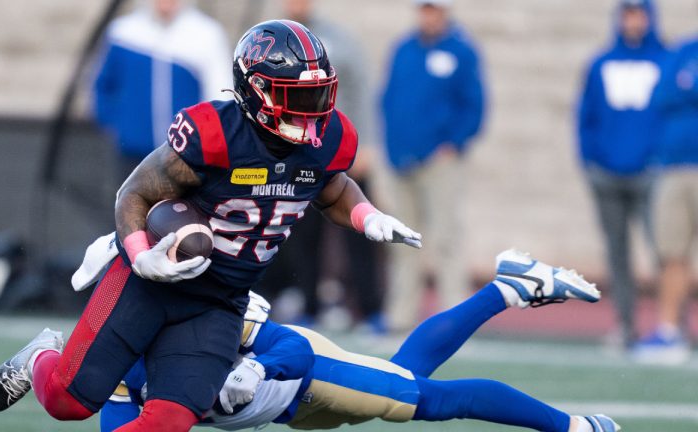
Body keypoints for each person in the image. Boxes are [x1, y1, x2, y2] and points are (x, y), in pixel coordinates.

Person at [0, 20, 421, 432]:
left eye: (318, 96)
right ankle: (41, 353)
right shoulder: (213, 132)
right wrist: (139, 256)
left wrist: (369, 216)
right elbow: (133, 194)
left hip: (219, 302)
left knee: (169, 420)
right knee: (67, 403)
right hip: (150, 284)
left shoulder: (331, 137)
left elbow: (335, 188)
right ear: (255, 91)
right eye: (295, 97)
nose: (310, 113)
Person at [99, 249, 620, 432]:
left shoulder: (204, 312)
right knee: (404, 375)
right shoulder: (121, 367)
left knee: (428, 401)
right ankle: (510, 286)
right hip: (288, 413)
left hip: (309, 374)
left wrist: (255, 369)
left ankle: (574, 427)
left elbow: (293, 351)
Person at [258, 0, 383, 329]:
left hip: (338, 148)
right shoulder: (267, 41)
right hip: (295, 152)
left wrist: (365, 144)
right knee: (301, 234)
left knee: (359, 229)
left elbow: (360, 90)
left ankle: (370, 309)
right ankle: (308, 305)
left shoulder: (337, 39)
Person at [380, 0, 486, 332]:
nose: (428, 15)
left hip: (439, 161)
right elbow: (388, 99)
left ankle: (454, 317)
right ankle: (399, 315)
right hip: (401, 159)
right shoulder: (404, 48)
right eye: (424, 9)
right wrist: (393, 145)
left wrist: (452, 143)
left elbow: (474, 106)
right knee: (401, 241)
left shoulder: (461, 51)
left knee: (446, 238)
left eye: (434, 9)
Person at [576, 0, 667, 348]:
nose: (633, 21)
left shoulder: (664, 60)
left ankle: (670, 324)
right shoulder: (601, 63)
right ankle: (625, 325)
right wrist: (590, 159)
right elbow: (587, 115)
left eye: (639, 14)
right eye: (628, 14)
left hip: (650, 172)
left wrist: (659, 158)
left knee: (664, 251)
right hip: (607, 173)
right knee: (617, 254)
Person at [93, 0, 232, 184]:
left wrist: (204, 141)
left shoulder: (207, 35)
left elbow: (221, 95)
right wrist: (121, 127)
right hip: (133, 156)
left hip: (188, 158)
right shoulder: (122, 32)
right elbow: (104, 86)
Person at [631, 30, 698, 363]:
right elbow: (663, 95)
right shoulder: (684, 49)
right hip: (674, 165)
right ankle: (670, 331)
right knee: (672, 252)